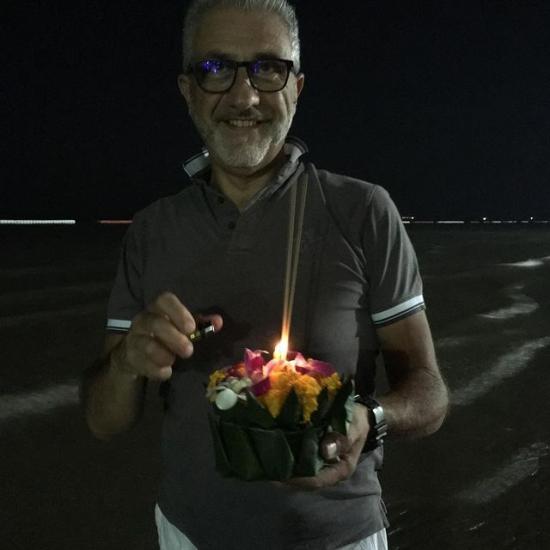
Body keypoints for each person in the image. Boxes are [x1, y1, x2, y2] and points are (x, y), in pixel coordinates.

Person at [81, 1, 449, 549]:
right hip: (189, 533)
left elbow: (429, 392)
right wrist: (128, 361)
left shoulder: (363, 211)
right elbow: (102, 420)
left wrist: (369, 418)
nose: (244, 96)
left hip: (338, 536)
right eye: (215, 69)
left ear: (296, 87)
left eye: (267, 68)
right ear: (187, 89)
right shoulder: (151, 230)